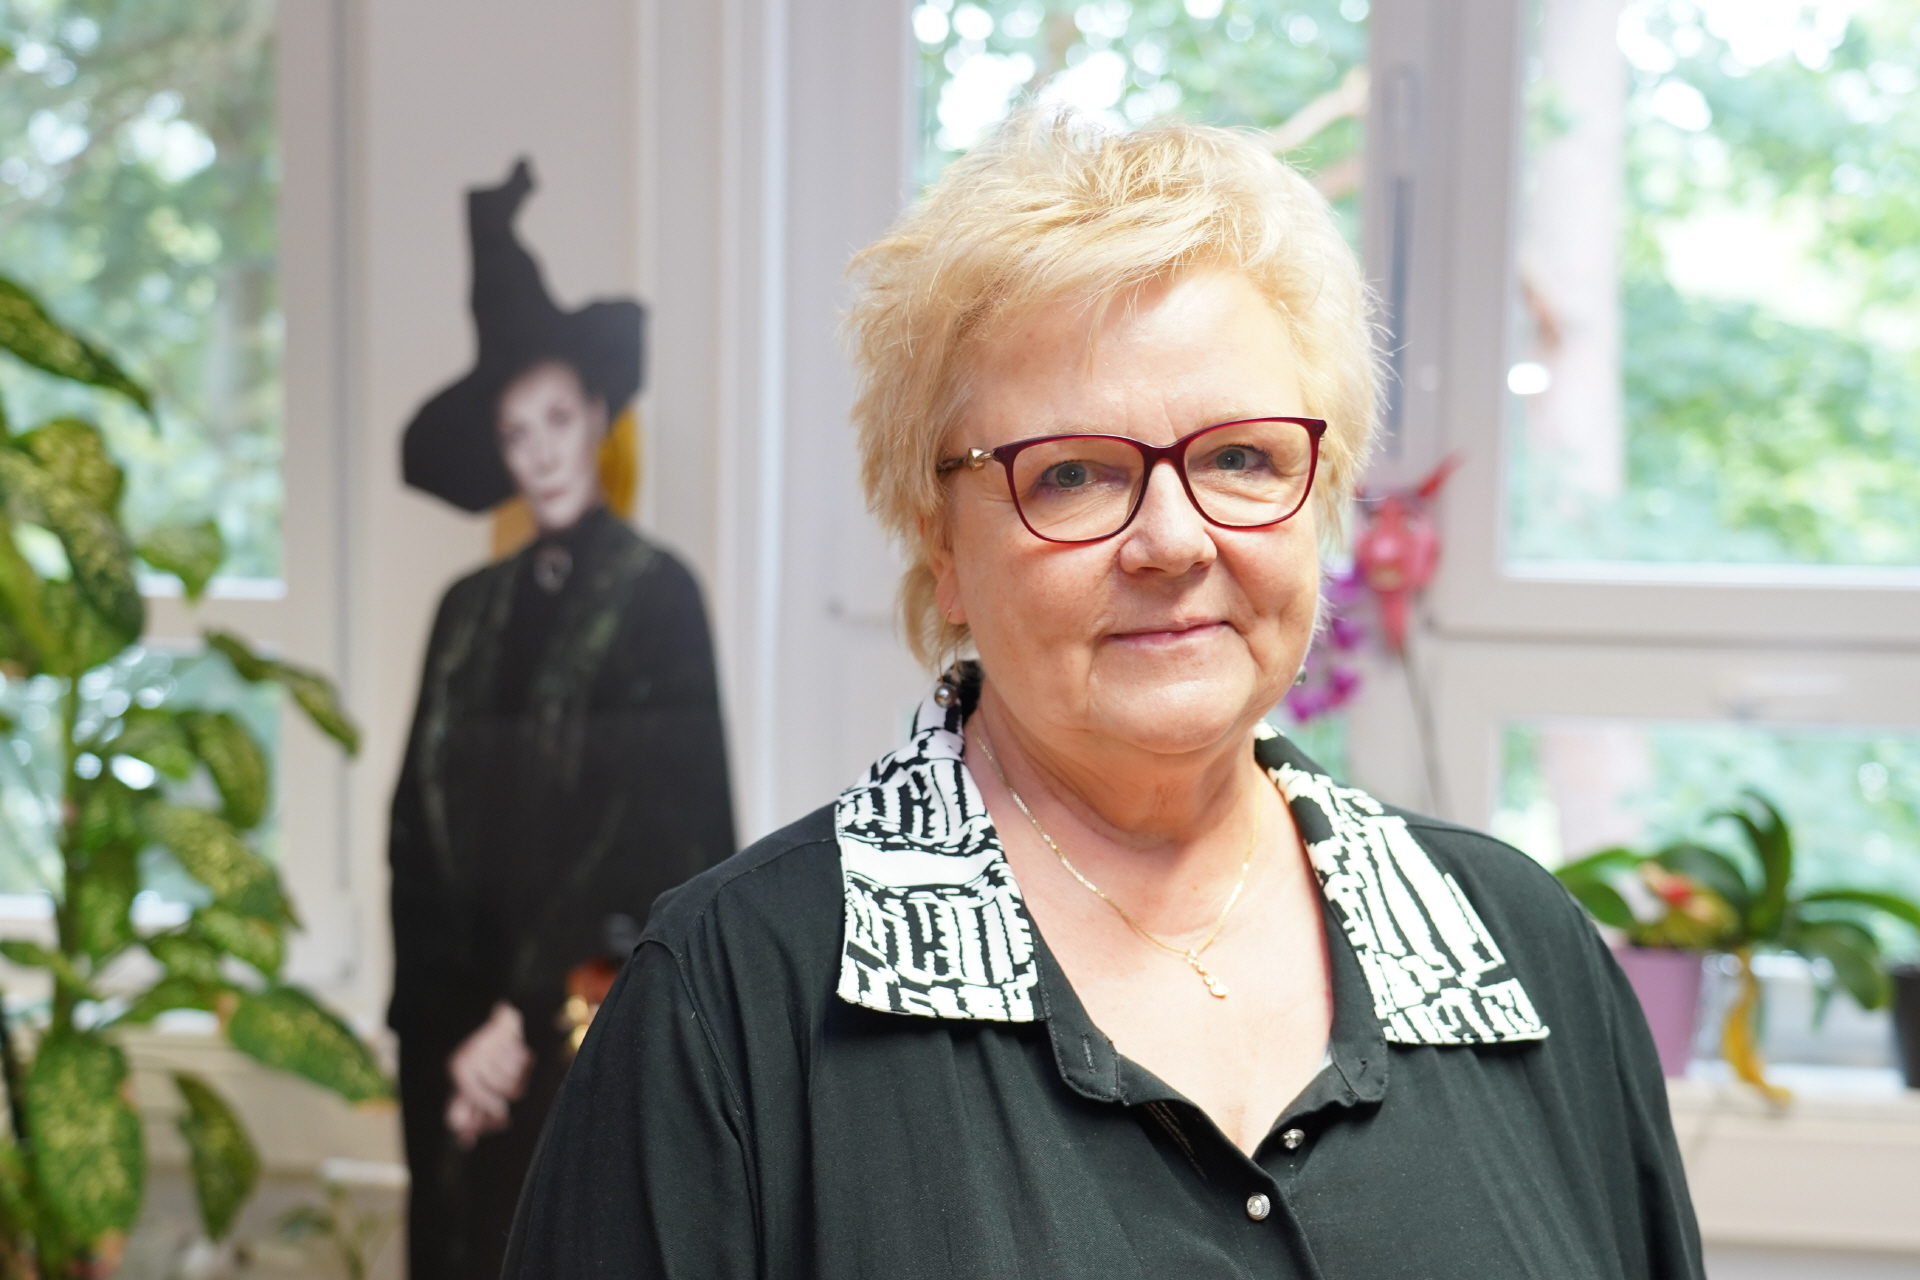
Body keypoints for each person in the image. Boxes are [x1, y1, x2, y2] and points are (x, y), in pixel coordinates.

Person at [506, 113, 1702, 1278]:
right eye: (1073, 473)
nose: (1173, 540)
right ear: (941, 544)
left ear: (1322, 494)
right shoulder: (732, 1001)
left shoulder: (1524, 951)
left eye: (1240, 457)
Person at [390, 161, 735, 1280]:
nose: (538, 446)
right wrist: (455, 1029)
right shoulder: (465, 610)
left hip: (585, 1018)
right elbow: (416, 825)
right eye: (515, 426)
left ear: (596, 416)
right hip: (452, 1043)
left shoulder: (657, 595)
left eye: (555, 416)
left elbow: (667, 834)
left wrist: (524, 1013)